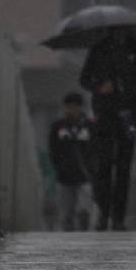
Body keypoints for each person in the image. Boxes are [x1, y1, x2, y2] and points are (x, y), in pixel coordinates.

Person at [80, 28, 136, 231]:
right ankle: (103, 214)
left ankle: (118, 218)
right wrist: (99, 87)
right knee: (103, 165)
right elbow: (85, 79)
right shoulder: (99, 49)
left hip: (129, 114)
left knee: (124, 167)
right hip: (104, 114)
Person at [48, 92, 96, 231]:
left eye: (75, 106)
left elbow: (95, 149)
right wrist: (59, 166)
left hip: (85, 176)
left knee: (84, 210)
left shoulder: (90, 127)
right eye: (68, 107)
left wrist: (92, 168)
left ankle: (83, 232)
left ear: (81, 108)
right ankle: (68, 240)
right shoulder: (58, 127)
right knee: (66, 214)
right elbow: (53, 149)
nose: (71, 110)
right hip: (65, 177)